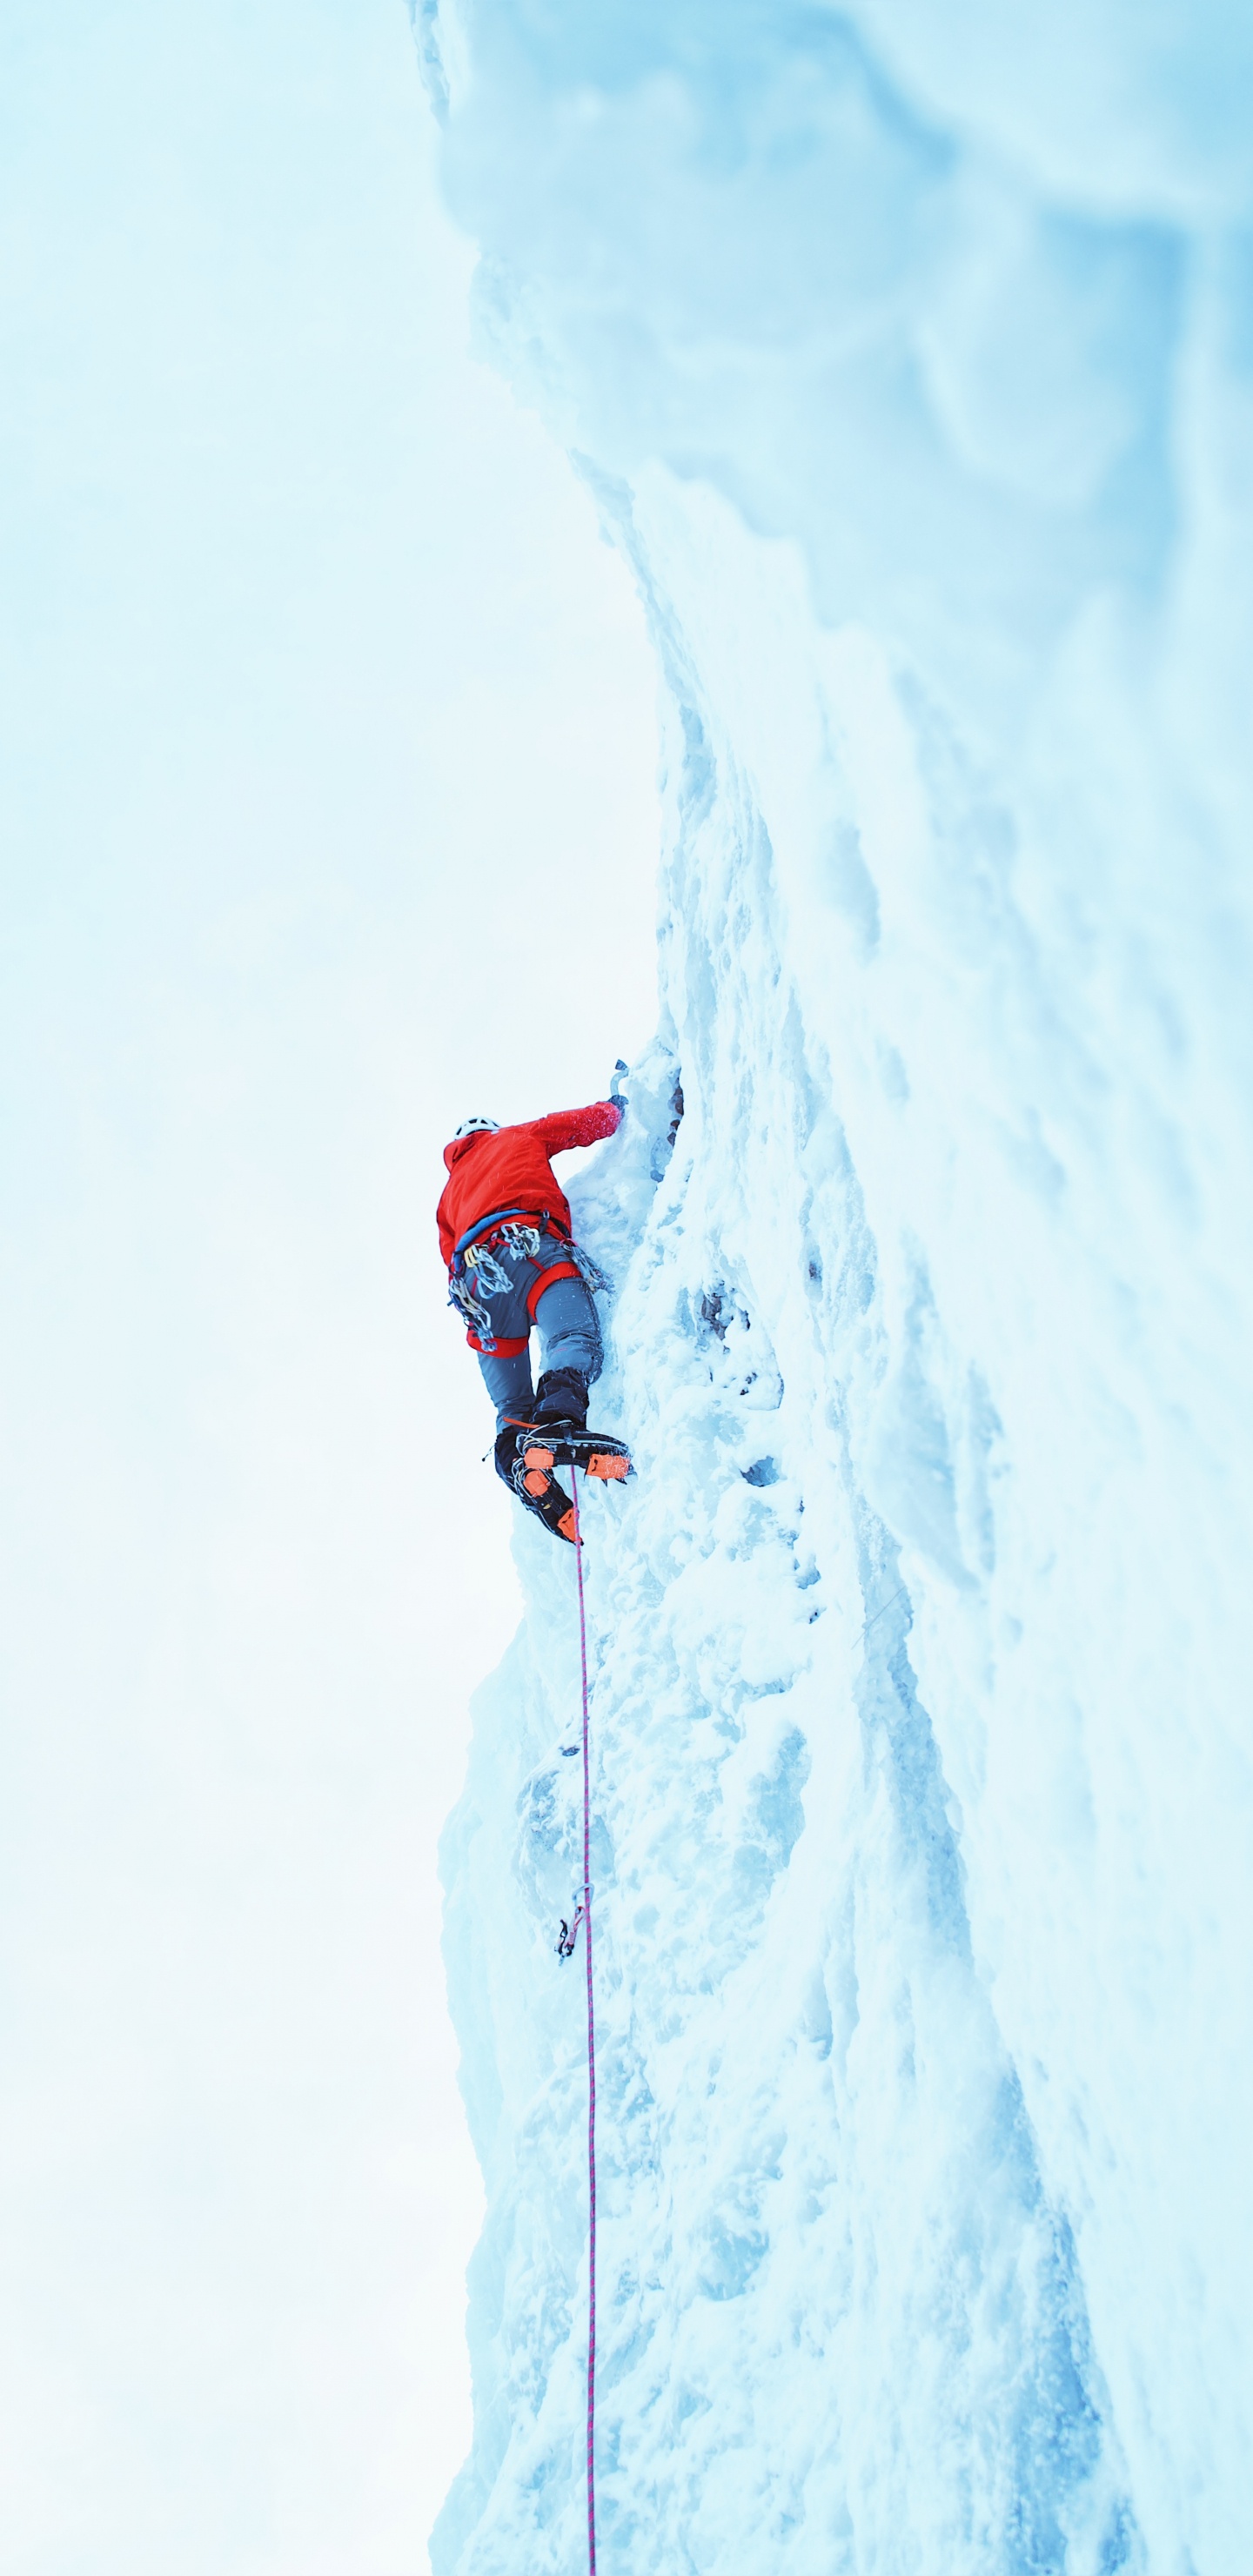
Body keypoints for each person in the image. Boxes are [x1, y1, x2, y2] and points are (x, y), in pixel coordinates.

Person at [437, 1096, 626, 1540]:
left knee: (512, 1407)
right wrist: (618, 1107)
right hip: (529, 1250)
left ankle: (520, 1465)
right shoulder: (516, 1137)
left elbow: (448, 1257)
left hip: (479, 1288)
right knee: (571, 1339)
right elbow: (577, 1125)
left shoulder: (448, 1197)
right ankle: (558, 1425)